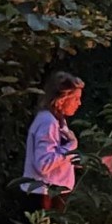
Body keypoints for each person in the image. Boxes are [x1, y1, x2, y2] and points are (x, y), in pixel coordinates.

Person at [21, 72, 85, 210]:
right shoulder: (47, 122)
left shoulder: (57, 120)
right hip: (43, 195)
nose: (79, 103)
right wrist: (71, 146)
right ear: (62, 98)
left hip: (51, 194)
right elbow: (44, 165)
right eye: (75, 99)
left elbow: (57, 155)